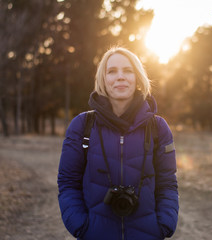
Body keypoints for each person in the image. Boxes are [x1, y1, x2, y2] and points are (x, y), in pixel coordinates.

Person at [57, 46, 179, 240]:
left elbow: (167, 183)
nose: (120, 77)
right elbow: (68, 182)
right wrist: (81, 227)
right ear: (103, 79)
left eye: (127, 71)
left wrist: (163, 225)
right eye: (112, 71)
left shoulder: (157, 127)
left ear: (137, 77)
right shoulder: (82, 125)